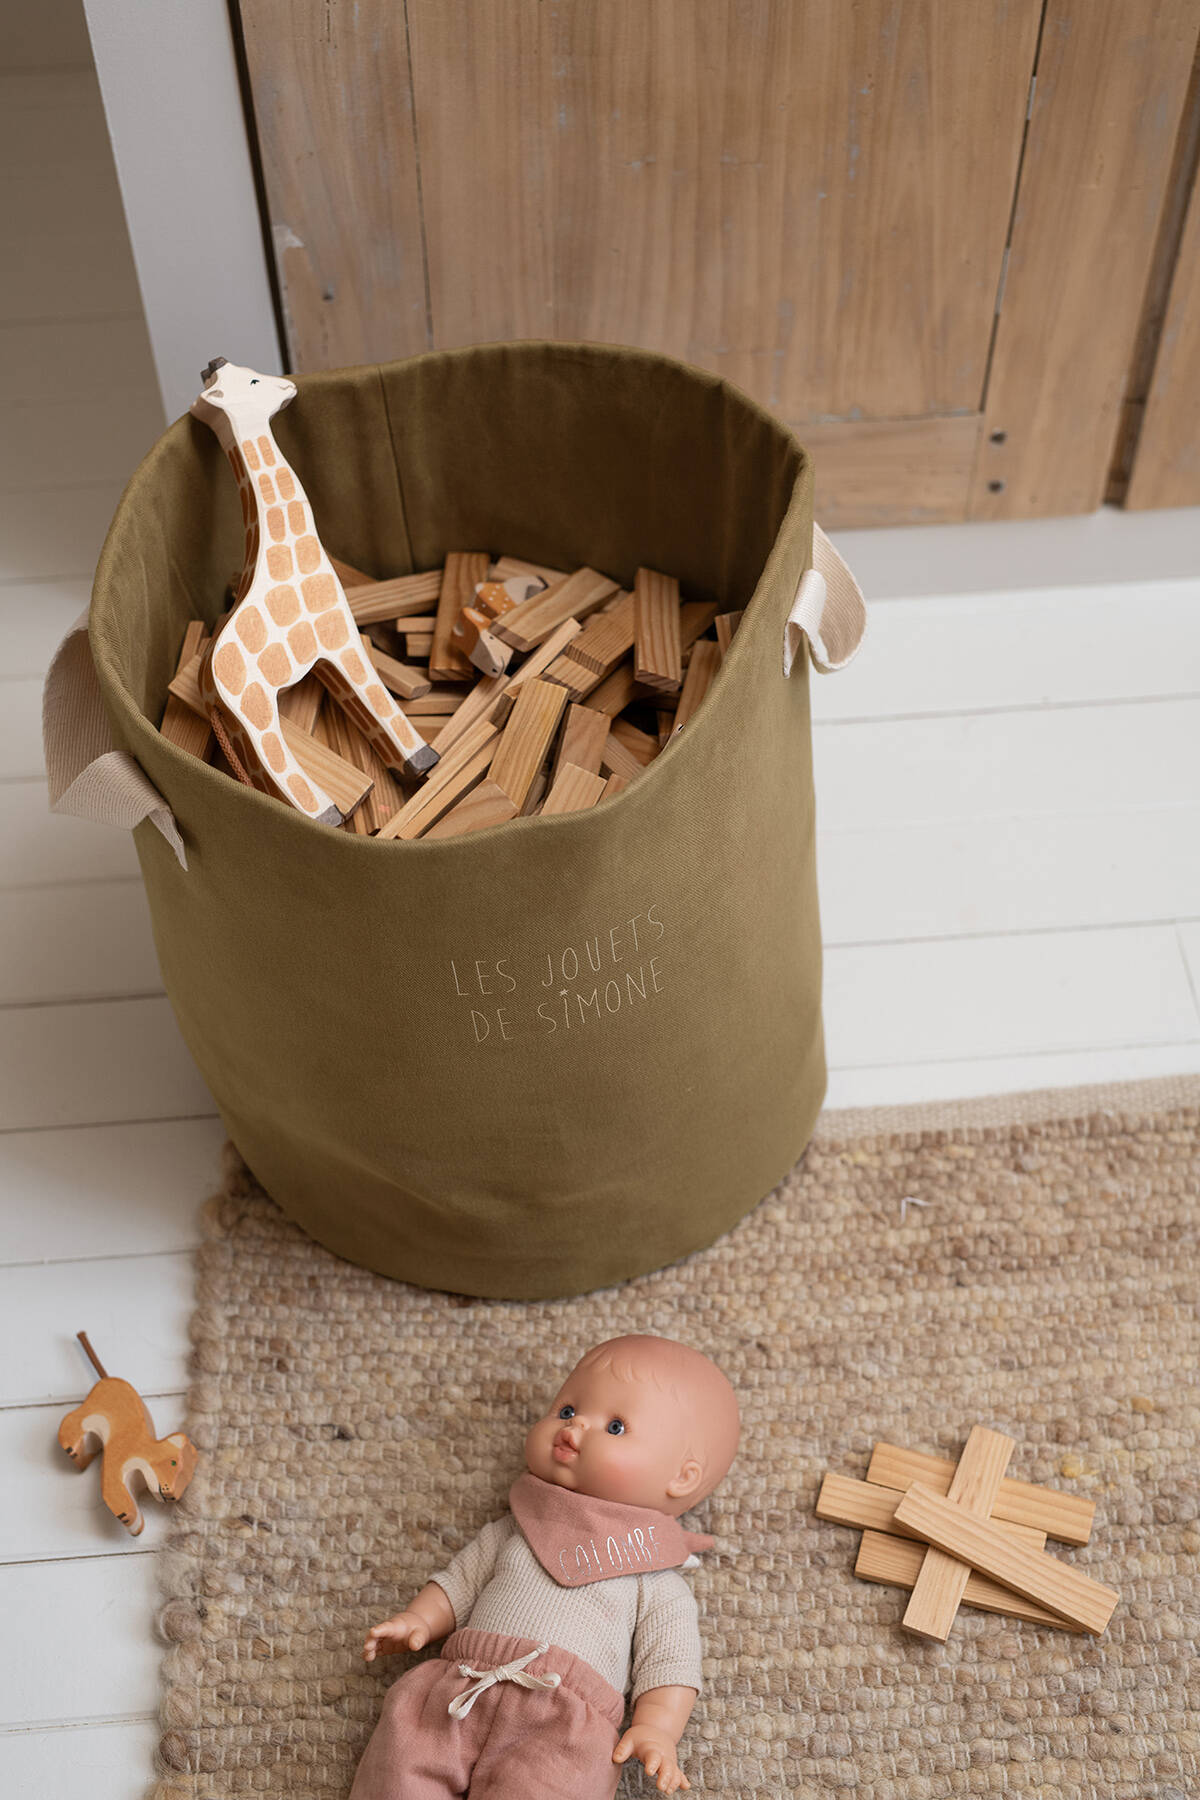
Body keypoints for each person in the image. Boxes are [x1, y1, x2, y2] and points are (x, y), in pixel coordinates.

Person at [350, 1333, 740, 1797]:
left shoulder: (652, 1576)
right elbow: (461, 1582)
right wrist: (419, 1619)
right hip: (460, 1686)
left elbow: (670, 1662)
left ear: (682, 1477)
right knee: (401, 1762)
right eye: (567, 1411)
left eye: (615, 1427)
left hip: (564, 1726)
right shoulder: (514, 1530)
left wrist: (658, 1728)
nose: (572, 1430)